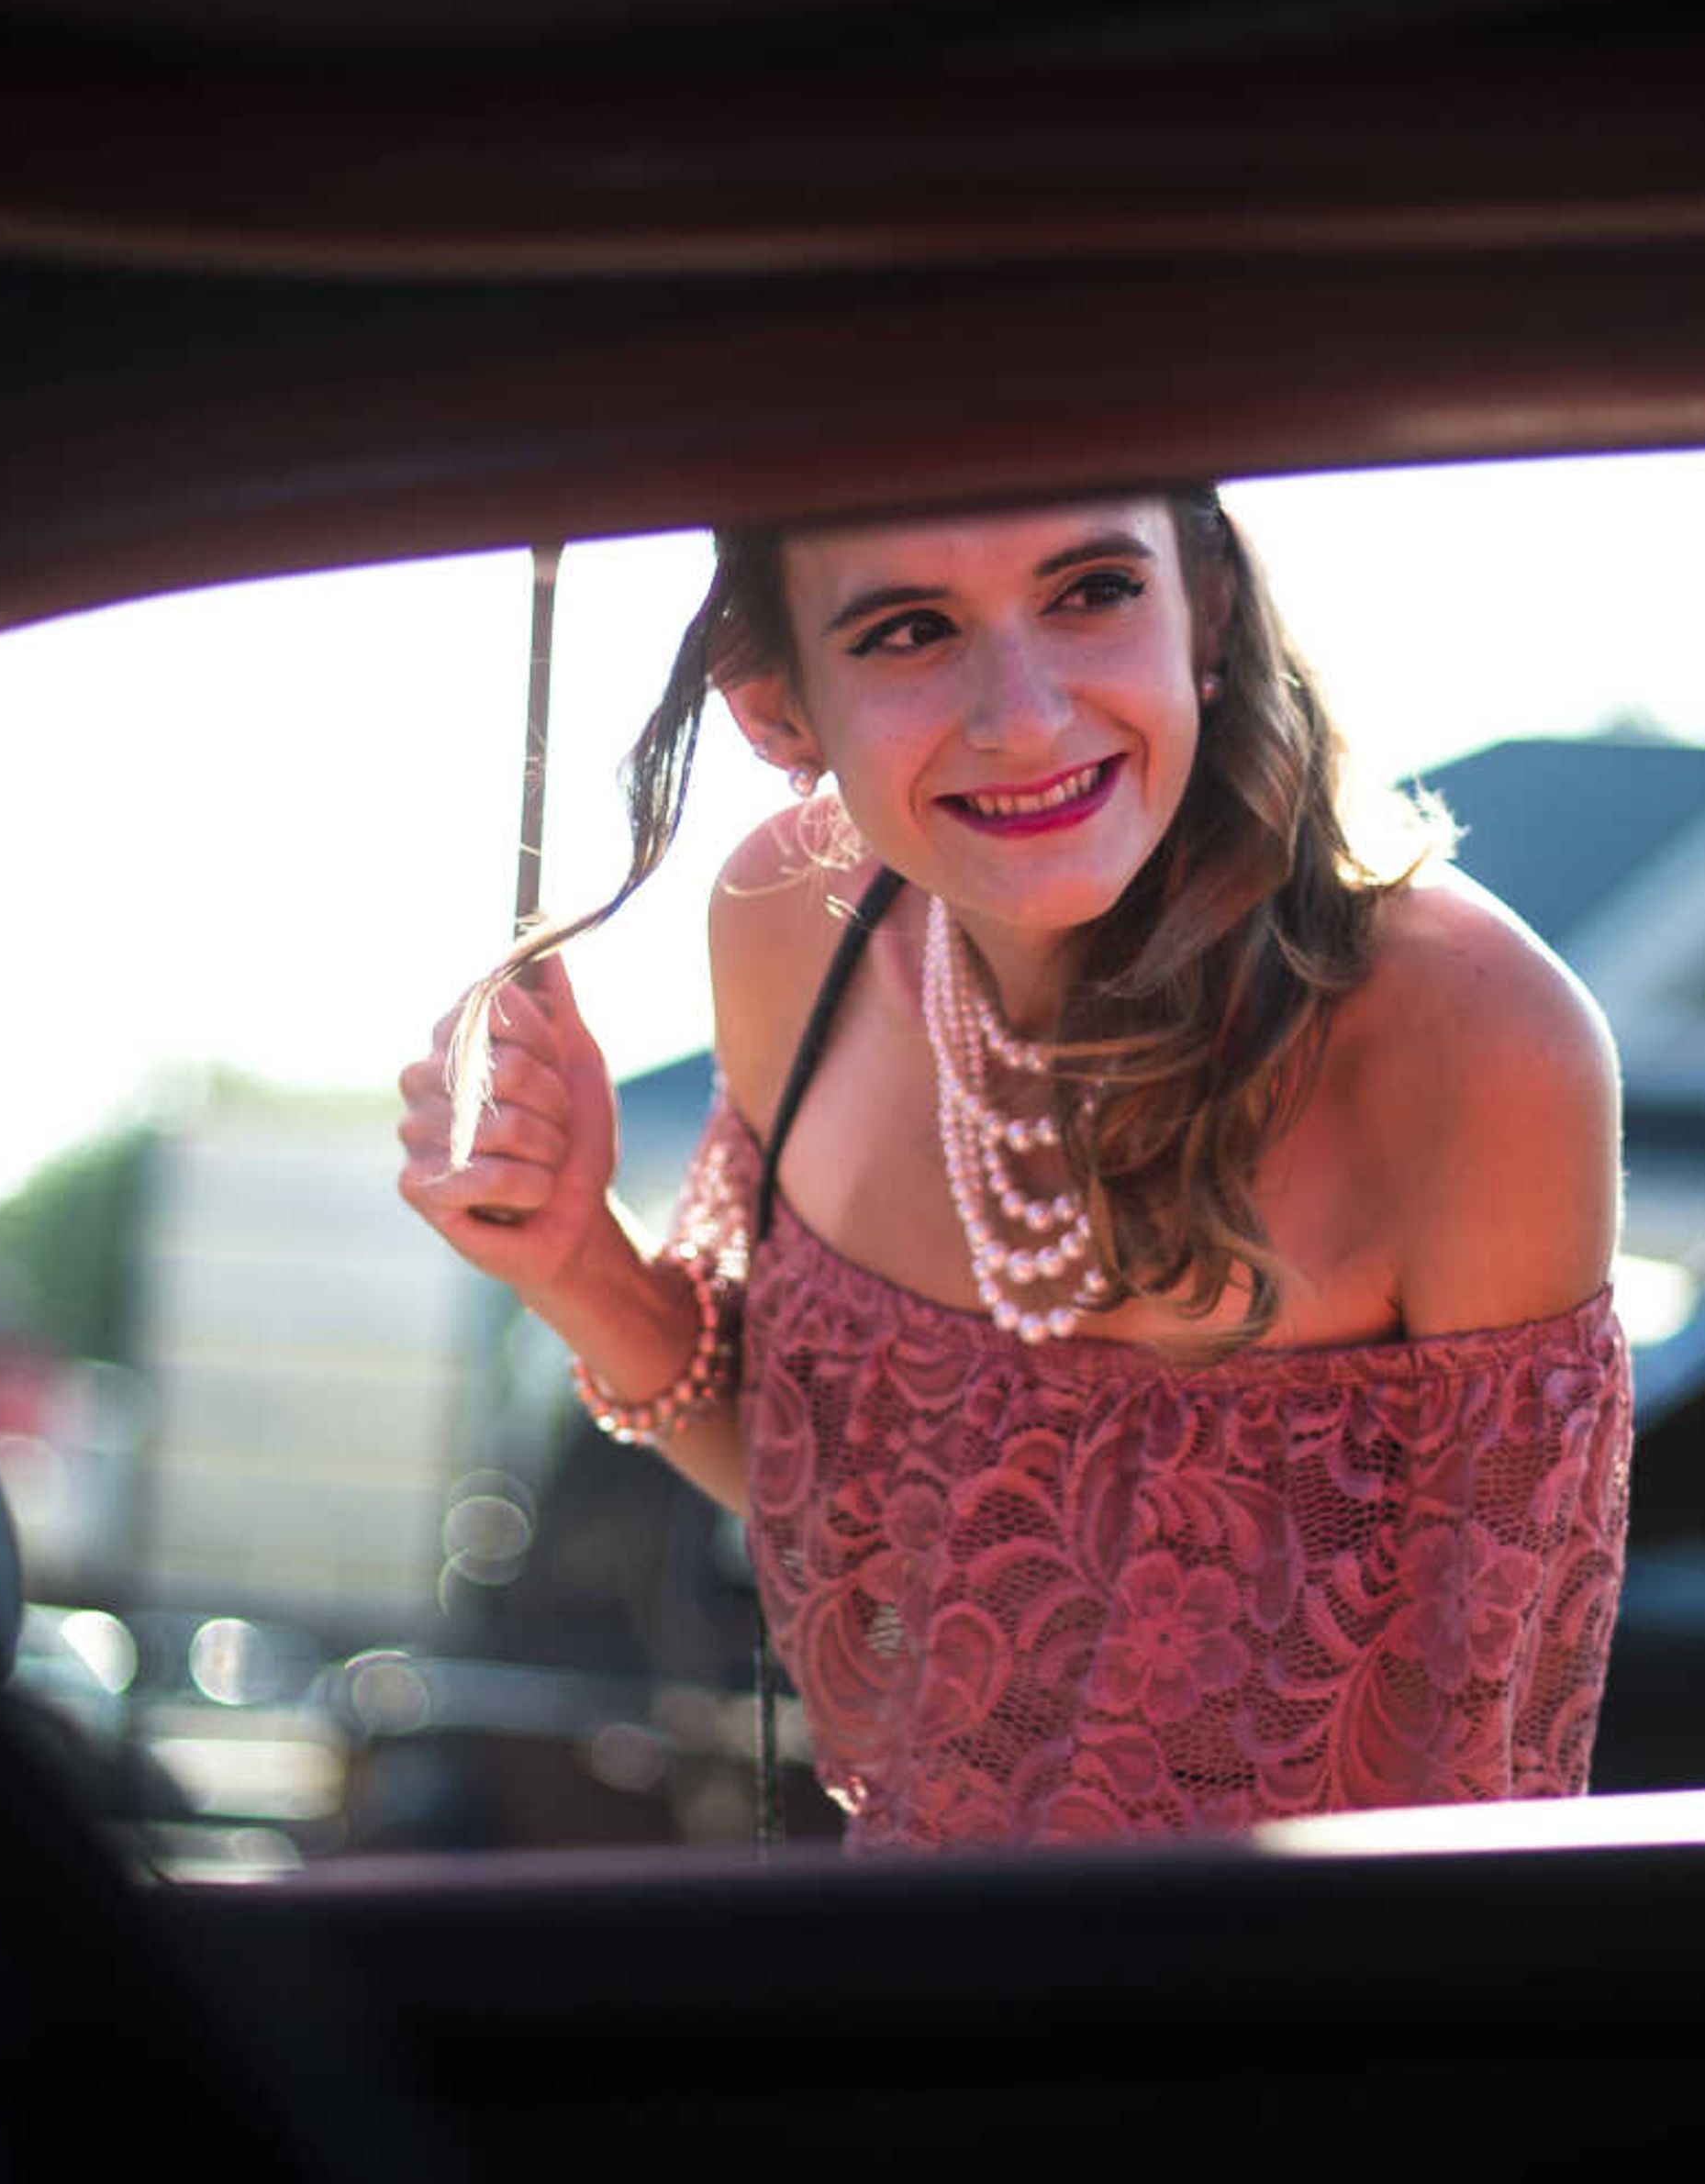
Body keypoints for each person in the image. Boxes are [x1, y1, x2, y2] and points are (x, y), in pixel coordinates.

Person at [396, 486, 1628, 1850]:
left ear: (1204, 606)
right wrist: (579, 1262)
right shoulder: (785, 933)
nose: (1026, 716)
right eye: (910, 629)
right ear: (773, 701)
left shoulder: (1475, 1040)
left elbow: (1491, 1771)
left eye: (1092, 590)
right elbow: (894, 1534)